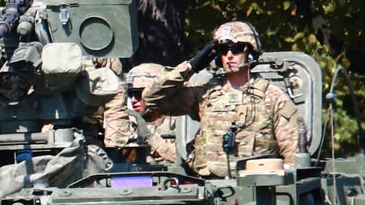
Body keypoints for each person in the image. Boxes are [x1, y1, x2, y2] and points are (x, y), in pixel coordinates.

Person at [143, 21, 299, 178]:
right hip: (208, 185)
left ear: (250, 52)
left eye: (236, 49)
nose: (229, 55)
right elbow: (152, 98)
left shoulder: (272, 97)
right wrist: (192, 66)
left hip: (258, 188)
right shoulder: (205, 93)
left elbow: (293, 154)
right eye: (223, 50)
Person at [104, 62, 179, 164]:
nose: (133, 99)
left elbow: (183, 159)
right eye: (131, 94)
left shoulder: (179, 121)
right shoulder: (124, 121)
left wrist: (149, 136)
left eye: (139, 93)